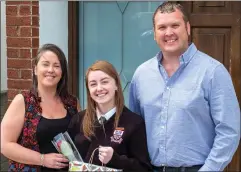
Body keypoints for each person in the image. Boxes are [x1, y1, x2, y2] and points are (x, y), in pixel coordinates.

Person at [129, 2, 240, 172]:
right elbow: (134, 128)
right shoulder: (141, 75)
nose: (169, 33)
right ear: (154, 34)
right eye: (162, 27)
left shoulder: (212, 72)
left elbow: (229, 131)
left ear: (187, 28)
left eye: (175, 25)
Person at [1, 43, 81, 171]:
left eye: (56, 66)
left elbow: (80, 139)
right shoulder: (23, 101)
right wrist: (42, 159)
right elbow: (5, 145)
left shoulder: (72, 103)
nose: (51, 70)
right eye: (45, 64)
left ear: (62, 72)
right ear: (35, 69)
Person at [68, 60, 152, 171]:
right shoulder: (78, 119)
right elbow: (67, 161)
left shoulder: (134, 123)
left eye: (104, 82)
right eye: (93, 84)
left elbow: (143, 168)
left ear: (116, 84)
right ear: (88, 90)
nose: (99, 88)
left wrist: (115, 160)